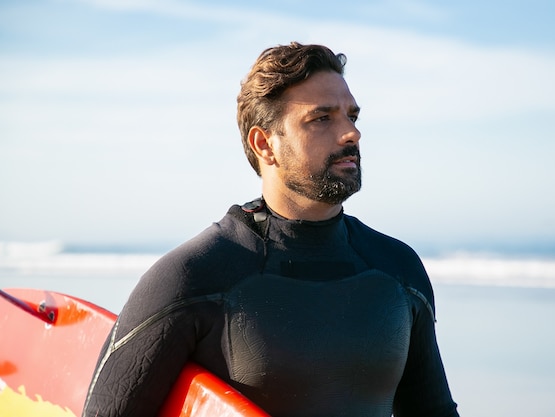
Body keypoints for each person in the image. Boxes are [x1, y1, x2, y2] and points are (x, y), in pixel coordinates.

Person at [83, 42, 459, 417]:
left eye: (352, 117)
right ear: (265, 144)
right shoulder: (194, 277)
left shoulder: (398, 268)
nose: (351, 134)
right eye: (322, 118)